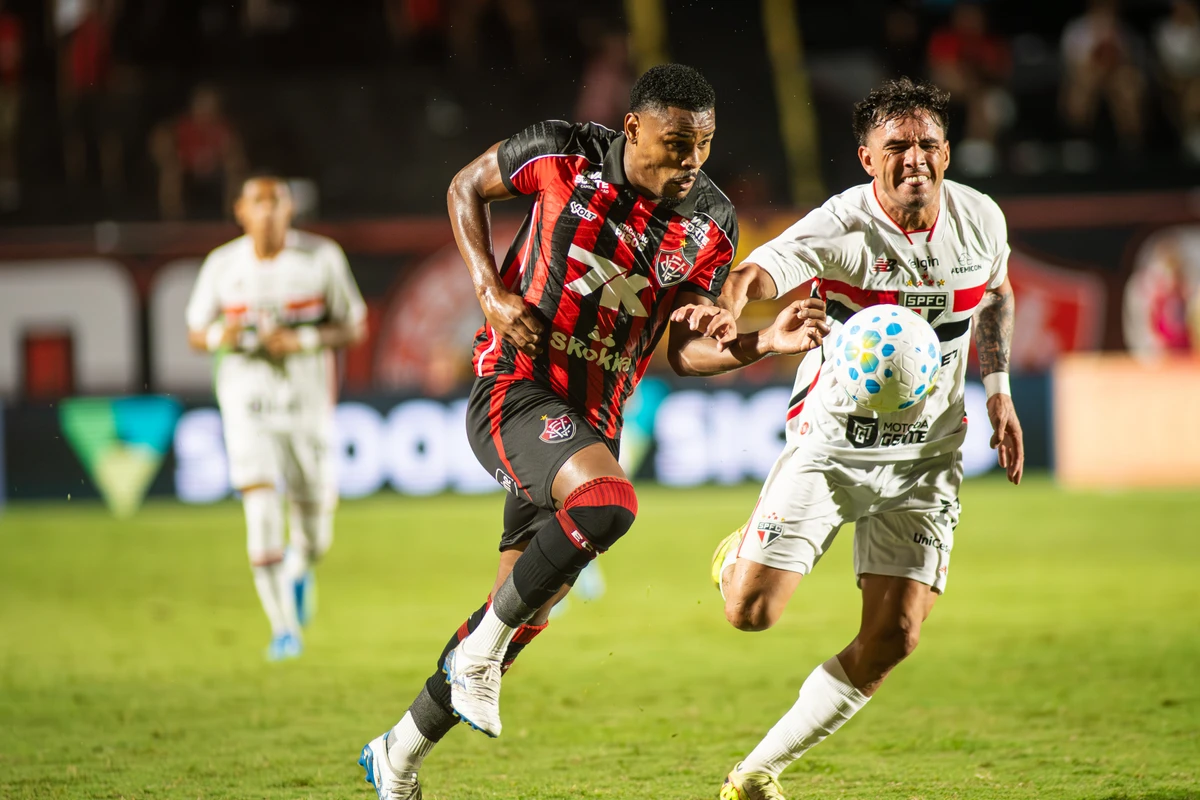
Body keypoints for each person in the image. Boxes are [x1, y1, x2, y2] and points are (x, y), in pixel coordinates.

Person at [357, 63, 830, 800]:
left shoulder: (711, 224)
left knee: (521, 613)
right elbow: (464, 188)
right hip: (513, 389)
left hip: (589, 422)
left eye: (704, 145)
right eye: (677, 143)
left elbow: (685, 348)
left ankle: (399, 753)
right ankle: (473, 662)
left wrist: (761, 342)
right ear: (633, 127)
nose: (692, 162)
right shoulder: (562, 152)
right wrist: (489, 288)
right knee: (609, 504)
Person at [688, 77, 1024, 799]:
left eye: (927, 143)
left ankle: (756, 773)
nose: (914, 158)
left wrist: (998, 393)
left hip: (928, 457)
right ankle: (737, 557)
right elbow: (757, 271)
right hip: (835, 442)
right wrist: (727, 309)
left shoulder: (981, 221)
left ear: (946, 150)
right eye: (896, 146)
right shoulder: (840, 227)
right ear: (867, 158)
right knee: (751, 614)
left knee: (895, 637)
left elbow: (996, 293)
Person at [185, 175, 367, 661]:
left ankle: (299, 568)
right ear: (240, 211)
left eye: (276, 202)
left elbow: (355, 323)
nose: (267, 212)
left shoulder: (320, 258)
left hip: (307, 409)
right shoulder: (223, 265)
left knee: (315, 533)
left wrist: (304, 340)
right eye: (258, 203)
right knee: (261, 509)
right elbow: (196, 331)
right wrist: (238, 337)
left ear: (290, 211)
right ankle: (283, 629)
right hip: (247, 406)